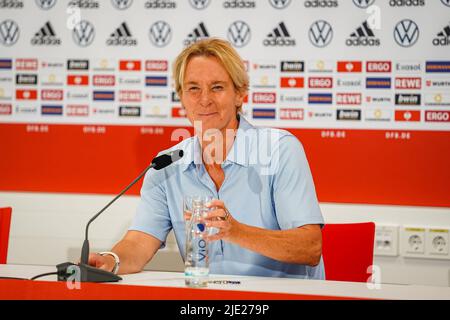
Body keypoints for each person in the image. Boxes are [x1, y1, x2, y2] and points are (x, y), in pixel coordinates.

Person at [88, 38, 325, 279]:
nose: (204, 100)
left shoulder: (280, 150)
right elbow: (139, 242)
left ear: (240, 93)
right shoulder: (165, 166)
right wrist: (111, 261)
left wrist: (235, 231)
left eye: (217, 87)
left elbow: (310, 247)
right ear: (181, 97)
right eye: (193, 88)